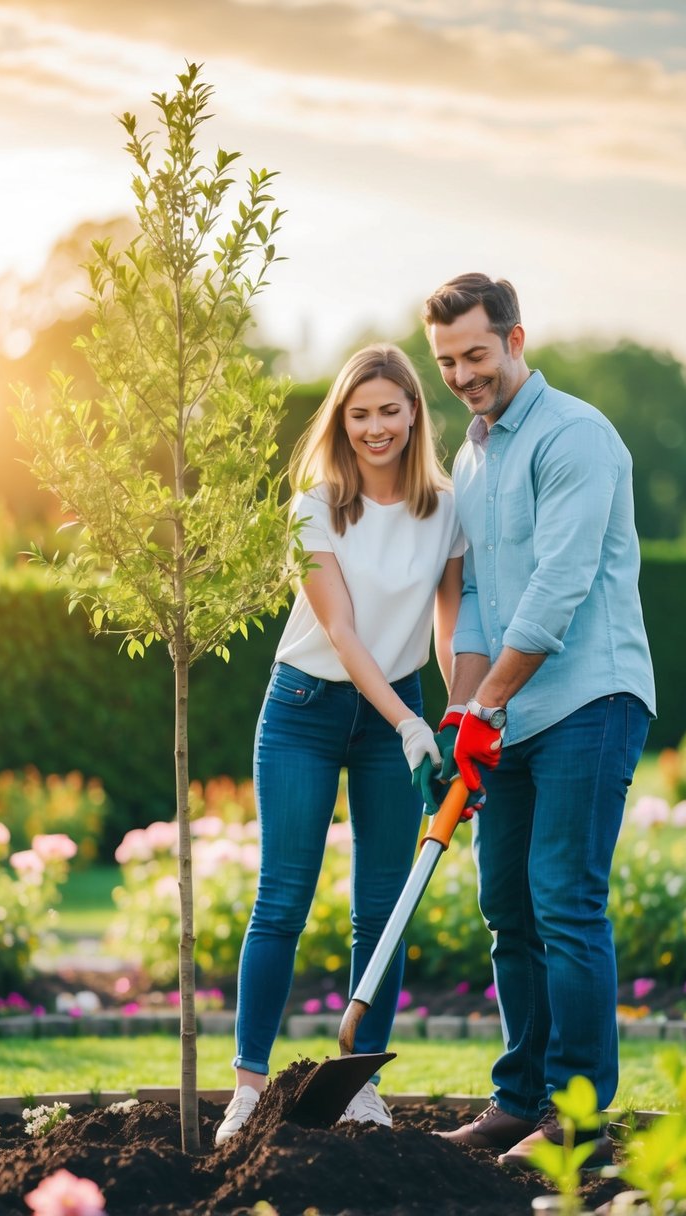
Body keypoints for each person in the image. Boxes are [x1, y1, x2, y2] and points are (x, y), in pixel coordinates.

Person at [420, 273, 655, 1169]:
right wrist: (461, 714)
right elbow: (475, 600)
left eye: (475, 355)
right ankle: (518, 1102)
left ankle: (579, 1119)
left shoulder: (577, 438)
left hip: (589, 701)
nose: (463, 375)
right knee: (505, 911)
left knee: (563, 900)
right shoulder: (472, 461)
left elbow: (557, 592)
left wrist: (488, 703)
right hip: (509, 715)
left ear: (516, 340)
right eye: (446, 362)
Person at [215, 344, 465, 1145]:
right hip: (307, 708)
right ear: (340, 421)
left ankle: (359, 1087)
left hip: (407, 711)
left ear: (414, 412)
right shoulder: (314, 505)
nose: (375, 427)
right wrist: (407, 723)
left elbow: (450, 625)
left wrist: (455, 718)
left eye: (389, 409)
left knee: (382, 910)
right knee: (282, 900)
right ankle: (249, 1088)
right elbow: (342, 629)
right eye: (358, 414)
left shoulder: (445, 509)